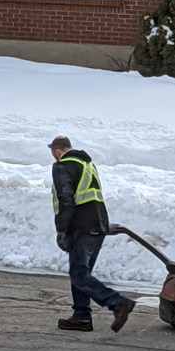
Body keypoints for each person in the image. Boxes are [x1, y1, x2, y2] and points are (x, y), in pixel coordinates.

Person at [49, 135, 135, 333]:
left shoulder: (62, 166)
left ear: (55, 151)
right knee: (81, 273)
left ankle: (118, 303)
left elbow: (66, 200)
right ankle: (81, 317)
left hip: (81, 227)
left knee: (79, 274)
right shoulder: (87, 165)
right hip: (98, 225)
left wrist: (62, 229)